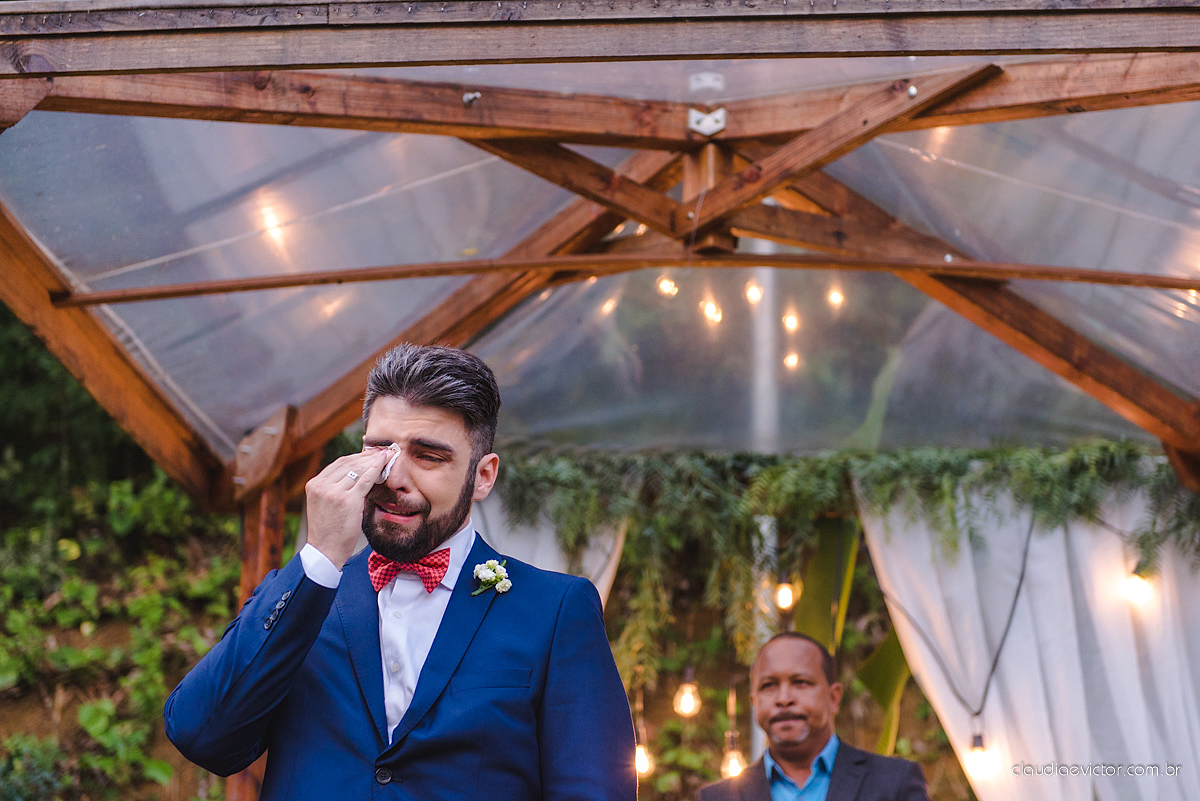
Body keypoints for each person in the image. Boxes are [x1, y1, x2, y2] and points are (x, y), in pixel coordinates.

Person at [164, 344, 636, 801]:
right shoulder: (301, 595)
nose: (393, 477)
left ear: (484, 475)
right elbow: (202, 737)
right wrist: (320, 557)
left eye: (429, 456)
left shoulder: (555, 609)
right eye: (380, 450)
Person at [698, 632, 930, 801]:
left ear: (834, 697)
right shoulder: (717, 798)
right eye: (769, 685)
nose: (784, 698)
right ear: (754, 701)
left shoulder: (894, 784)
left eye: (801, 682)